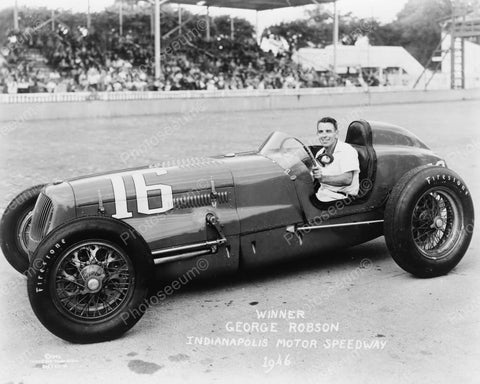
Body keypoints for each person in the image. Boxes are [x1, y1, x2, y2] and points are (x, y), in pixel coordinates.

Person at [312, 117, 360, 202]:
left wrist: (322, 178)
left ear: (336, 134)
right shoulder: (320, 153)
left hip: (340, 199)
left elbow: (347, 179)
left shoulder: (347, 150)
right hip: (322, 195)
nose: (324, 135)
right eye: (320, 132)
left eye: (328, 131)